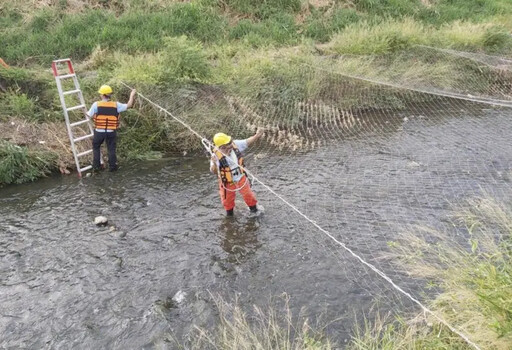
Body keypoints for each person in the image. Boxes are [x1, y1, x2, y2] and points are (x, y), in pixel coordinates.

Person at [210, 129, 264, 216]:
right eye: (226, 146)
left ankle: (254, 211)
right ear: (221, 147)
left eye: (229, 143)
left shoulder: (235, 145)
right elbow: (214, 171)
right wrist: (215, 165)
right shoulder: (215, 156)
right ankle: (230, 216)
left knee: (249, 196)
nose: (230, 146)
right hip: (226, 182)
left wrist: (257, 135)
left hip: (240, 177)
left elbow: (247, 142)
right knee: (227, 202)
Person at [87, 85, 136, 172]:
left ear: (102, 95)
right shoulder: (116, 105)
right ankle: (113, 168)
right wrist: (132, 95)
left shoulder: (96, 104)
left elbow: (89, 115)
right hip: (111, 132)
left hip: (99, 132)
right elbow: (129, 105)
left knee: (96, 147)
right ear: (110, 95)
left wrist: (84, 112)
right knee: (111, 149)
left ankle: (96, 167)